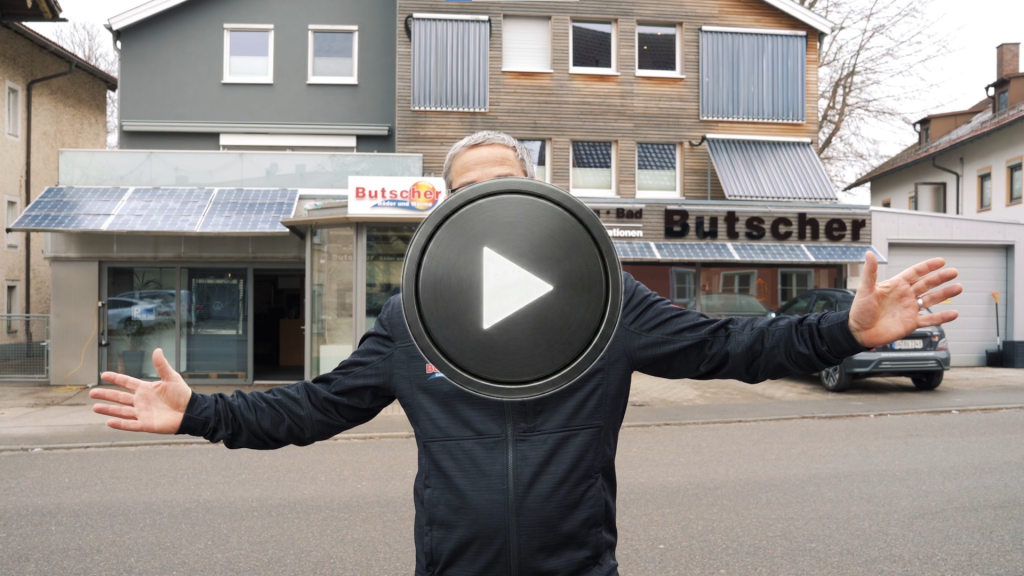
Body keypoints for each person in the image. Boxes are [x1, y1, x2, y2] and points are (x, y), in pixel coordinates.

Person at [91, 131, 963, 576]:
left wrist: (843, 331)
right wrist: (199, 412)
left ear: (536, 198)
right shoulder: (409, 320)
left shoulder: (604, 302)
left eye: (507, 186)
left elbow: (731, 345)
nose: (491, 204)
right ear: (443, 213)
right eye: (470, 192)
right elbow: (316, 408)